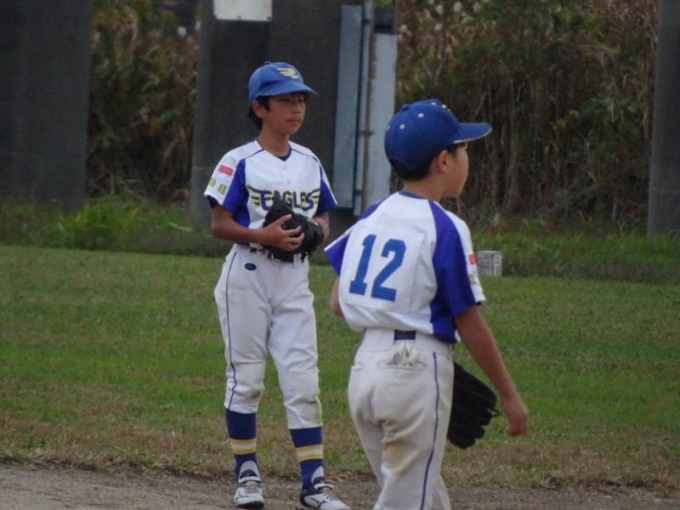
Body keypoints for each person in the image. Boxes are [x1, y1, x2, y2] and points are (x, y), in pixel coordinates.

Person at [324, 99, 529, 510]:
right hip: (413, 375)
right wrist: (509, 395)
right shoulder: (445, 226)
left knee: (424, 497)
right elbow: (469, 322)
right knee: (407, 502)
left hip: (365, 373)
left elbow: (337, 303)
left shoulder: (372, 217)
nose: (466, 156)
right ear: (443, 161)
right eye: (463, 148)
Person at [203, 62, 350, 510]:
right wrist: (262, 235)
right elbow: (218, 224)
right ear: (259, 107)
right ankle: (247, 475)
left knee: (303, 380)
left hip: (294, 279)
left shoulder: (309, 161)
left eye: (300, 100)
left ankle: (314, 484)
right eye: (286, 100)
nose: (296, 108)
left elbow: (323, 214)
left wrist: (317, 230)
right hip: (247, 277)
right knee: (246, 380)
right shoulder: (239, 161)